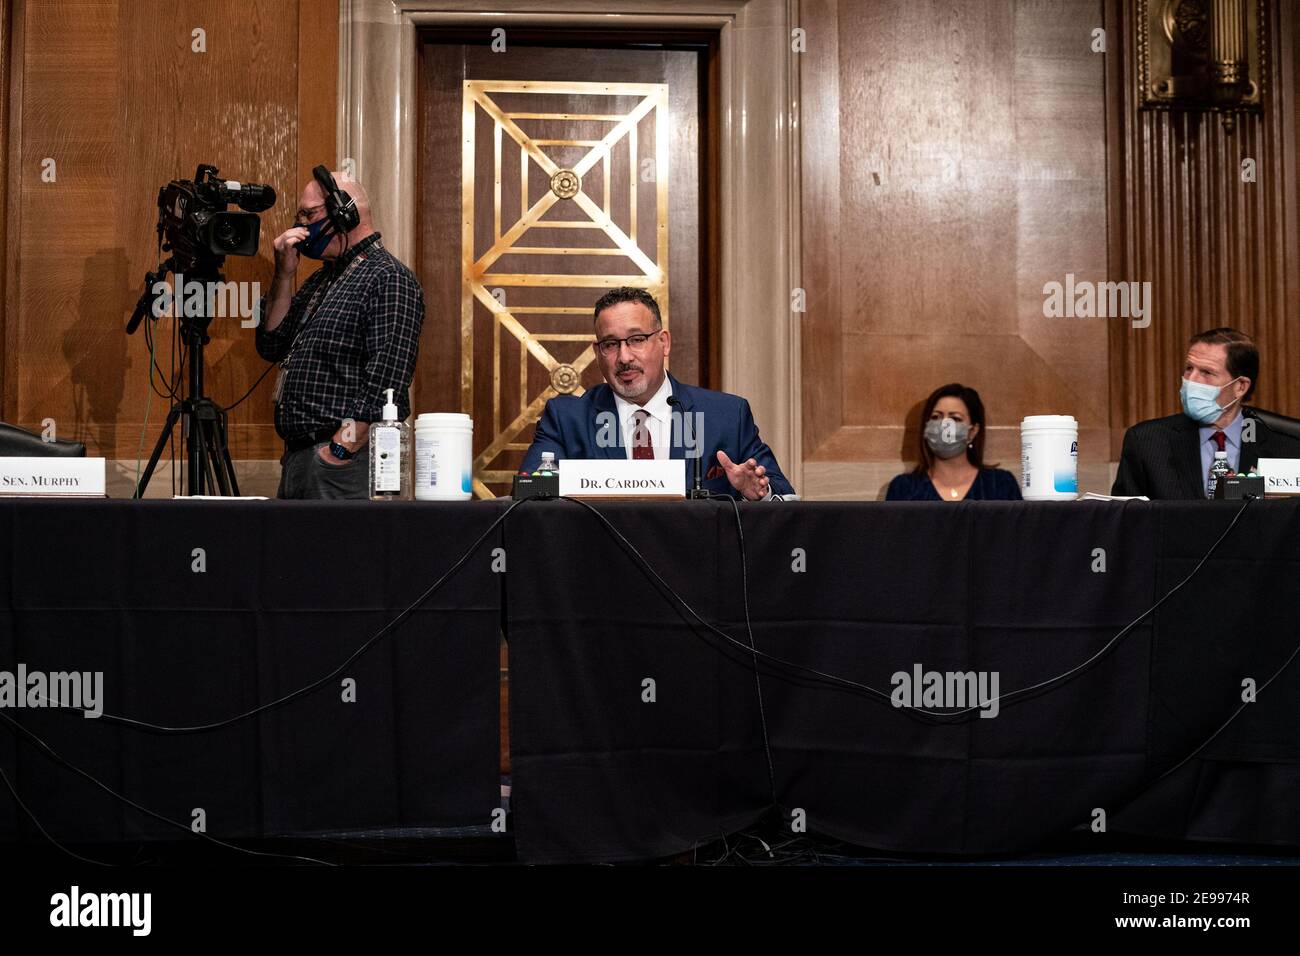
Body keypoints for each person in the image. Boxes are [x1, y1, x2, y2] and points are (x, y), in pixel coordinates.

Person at [521, 287, 794, 500]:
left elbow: (784, 497)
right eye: (611, 344)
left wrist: (756, 494)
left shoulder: (725, 417)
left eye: (637, 339)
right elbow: (529, 497)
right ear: (598, 353)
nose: (624, 357)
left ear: (663, 343)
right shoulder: (566, 419)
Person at [255, 168, 425, 499]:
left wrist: (338, 453)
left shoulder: (388, 278)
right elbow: (271, 343)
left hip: (342, 465)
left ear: (344, 213)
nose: (299, 226)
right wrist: (284, 276)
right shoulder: (321, 279)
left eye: (308, 214)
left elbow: (385, 385)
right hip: (298, 457)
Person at [1111, 327, 1300, 499]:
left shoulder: (1286, 448)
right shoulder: (1147, 442)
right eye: (1189, 369)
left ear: (1240, 386)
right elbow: (1126, 522)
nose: (1190, 380)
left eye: (1206, 372)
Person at [885, 384, 1022, 501]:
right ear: (926, 426)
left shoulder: (1000, 484)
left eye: (955, 419)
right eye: (936, 417)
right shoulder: (903, 488)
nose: (945, 425)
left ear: (973, 430)